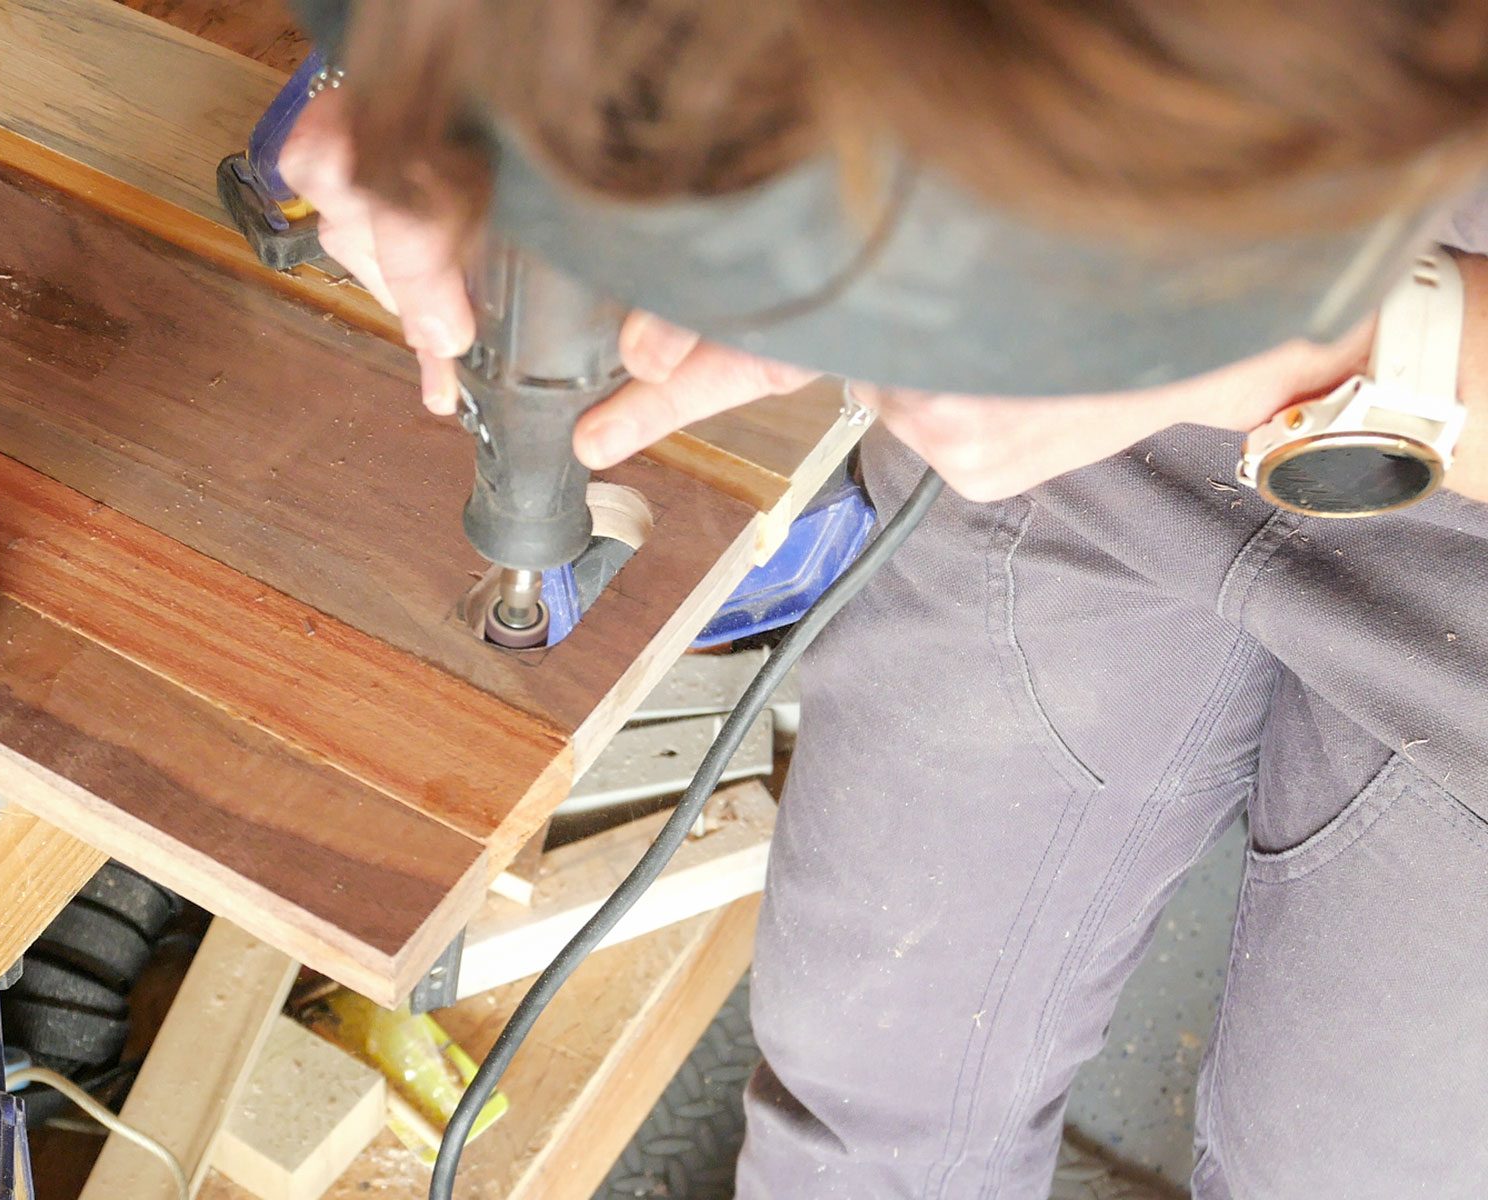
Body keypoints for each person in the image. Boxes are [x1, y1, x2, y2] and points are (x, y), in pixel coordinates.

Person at [278, 3, 1488, 1196]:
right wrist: (424, 71)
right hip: (1038, 320)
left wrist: (1308, 350)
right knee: (864, 1083)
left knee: (1346, 1168)